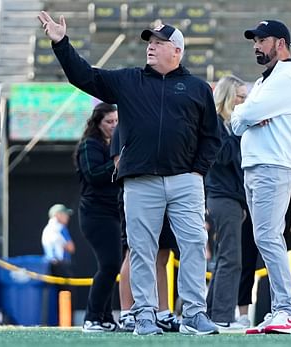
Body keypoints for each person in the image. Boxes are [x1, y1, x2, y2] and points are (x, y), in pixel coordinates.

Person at [38, 12, 221, 335]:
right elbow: (85, 76)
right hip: (140, 181)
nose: (151, 47)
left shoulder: (196, 88)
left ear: (177, 51)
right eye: (149, 42)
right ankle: (145, 313)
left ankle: (194, 313)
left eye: (159, 42)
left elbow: (212, 136)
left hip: (185, 181)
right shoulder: (128, 80)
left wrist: (196, 171)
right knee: (142, 249)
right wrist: (61, 43)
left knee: (193, 245)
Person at [231, 19, 291, 334]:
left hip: (272, 165)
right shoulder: (269, 78)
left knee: (267, 236)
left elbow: (243, 116)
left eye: (261, 40)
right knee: (264, 237)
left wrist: (246, 114)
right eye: (254, 40)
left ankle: (286, 311)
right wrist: (246, 115)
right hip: (259, 164)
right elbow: (238, 122)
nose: (256, 45)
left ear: (280, 42)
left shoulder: (289, 74)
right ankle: (283, 309)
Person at [110, 129, 180, 333]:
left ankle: (163, 312)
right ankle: (127, 312)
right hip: (137, 190)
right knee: (135, 252)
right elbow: (118, 163)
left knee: (163, 254)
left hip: (166, 190)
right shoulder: (125, 125)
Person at [205, 75, 248, 330]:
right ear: (228, 97)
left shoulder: (227, 125)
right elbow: (223, 157)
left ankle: (214, 312)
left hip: (228, 196)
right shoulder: (218, 124)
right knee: (231, 258)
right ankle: (222, 316)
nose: (244, 101)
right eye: (240, 96)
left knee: (225, 257)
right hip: (221, 196)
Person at [75, 102, 121, 333]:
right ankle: (92, 317)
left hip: (114, 211)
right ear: (98, 123)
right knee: (109, 264)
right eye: (109, 122)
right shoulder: (89, 145)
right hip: (96, 212)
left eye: (116, 121)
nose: (114, 126)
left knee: (112, 266)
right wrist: (115, 164)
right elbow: (93, 175)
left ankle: (105, 317)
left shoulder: (116, 143)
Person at [41, 203, 75, 289]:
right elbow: (71, 248)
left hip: (47, 267)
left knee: (52, 294)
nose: (68, 217)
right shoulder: (60, 228)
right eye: (65, 214)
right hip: (61, 266)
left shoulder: (46, 229)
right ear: (57, 215)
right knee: (68, 293)